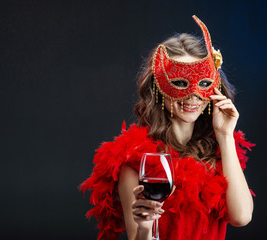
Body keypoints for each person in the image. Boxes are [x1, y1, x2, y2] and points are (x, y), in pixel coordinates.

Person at [80, 15, 255, 240]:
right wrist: (144, 226)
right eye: (180, 83)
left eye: (203, 83)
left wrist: (225, 135)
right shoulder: (135, 160)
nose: (193, 95)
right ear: (158, 88)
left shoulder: (219, 152)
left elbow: (241, 217)